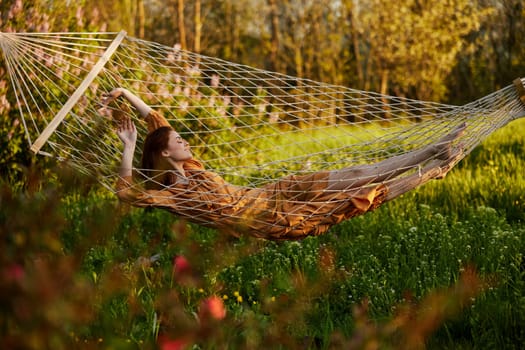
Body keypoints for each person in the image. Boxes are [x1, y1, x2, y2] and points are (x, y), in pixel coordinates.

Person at [102, 88, 465, 241]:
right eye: (178, 141)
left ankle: (435, 149)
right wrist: (130, 146)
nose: (185, 140)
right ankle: (433, 170)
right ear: (165, 154)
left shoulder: (193, 167)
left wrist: (125, 93)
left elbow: (158, 122)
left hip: (276, 192)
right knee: (361, 196)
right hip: (277, 219)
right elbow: (126, 194)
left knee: (356, 174)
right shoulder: (175, 196)